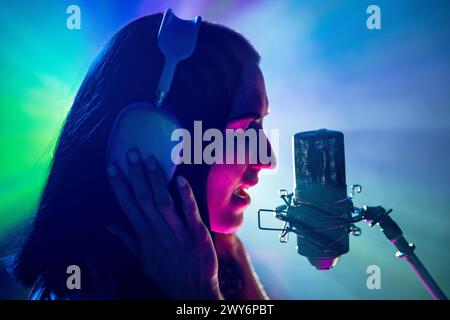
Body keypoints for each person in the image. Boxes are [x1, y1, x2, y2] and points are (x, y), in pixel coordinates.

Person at [10, 12, 276, 300]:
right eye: (249, 128)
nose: (268, 160)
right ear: (151, 143)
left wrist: (234, 259)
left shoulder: (216, 255)